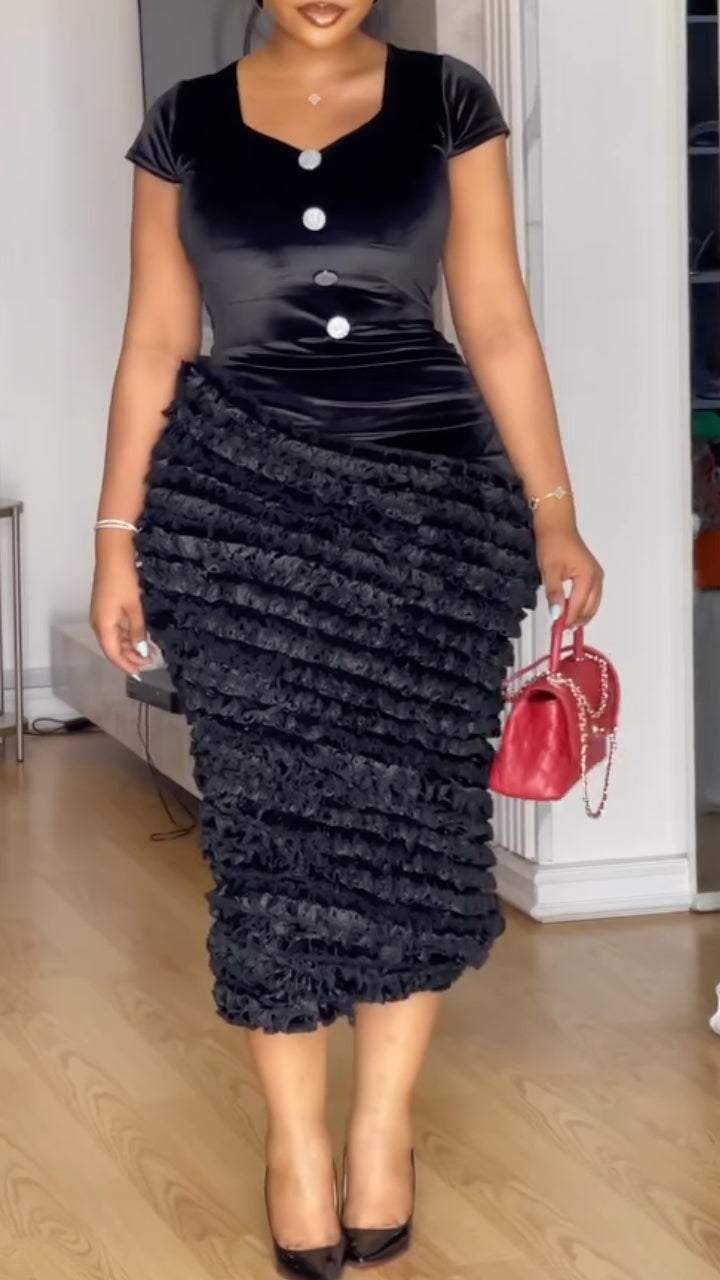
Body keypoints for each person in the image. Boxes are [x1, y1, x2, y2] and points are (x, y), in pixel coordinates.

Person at [90, 1, 603, 1276]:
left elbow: (495, 318)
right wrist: (115, 537)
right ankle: (295, 1142)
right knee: (270, 837)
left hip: (431, 519)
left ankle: (380, 1126)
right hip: (236, 521)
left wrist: (555, 513)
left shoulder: (449, 99)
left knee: (412, 834)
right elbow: (157, 337)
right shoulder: (182, 125)